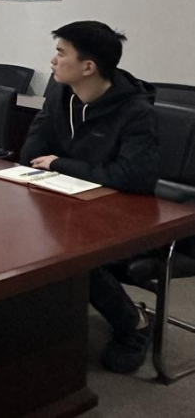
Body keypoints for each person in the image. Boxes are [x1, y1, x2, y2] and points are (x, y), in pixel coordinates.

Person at [20, 21, 160, 374]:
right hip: (71, 204)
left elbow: (133, 178)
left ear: (88, 67)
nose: (52, 61)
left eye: (61, 53)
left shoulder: (136, 112)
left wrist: (61, 164)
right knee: (20, 235)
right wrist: (64, 166)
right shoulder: (60, 95)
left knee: (71, 251)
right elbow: (31, 153)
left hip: (128, 213)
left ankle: (135, 323)